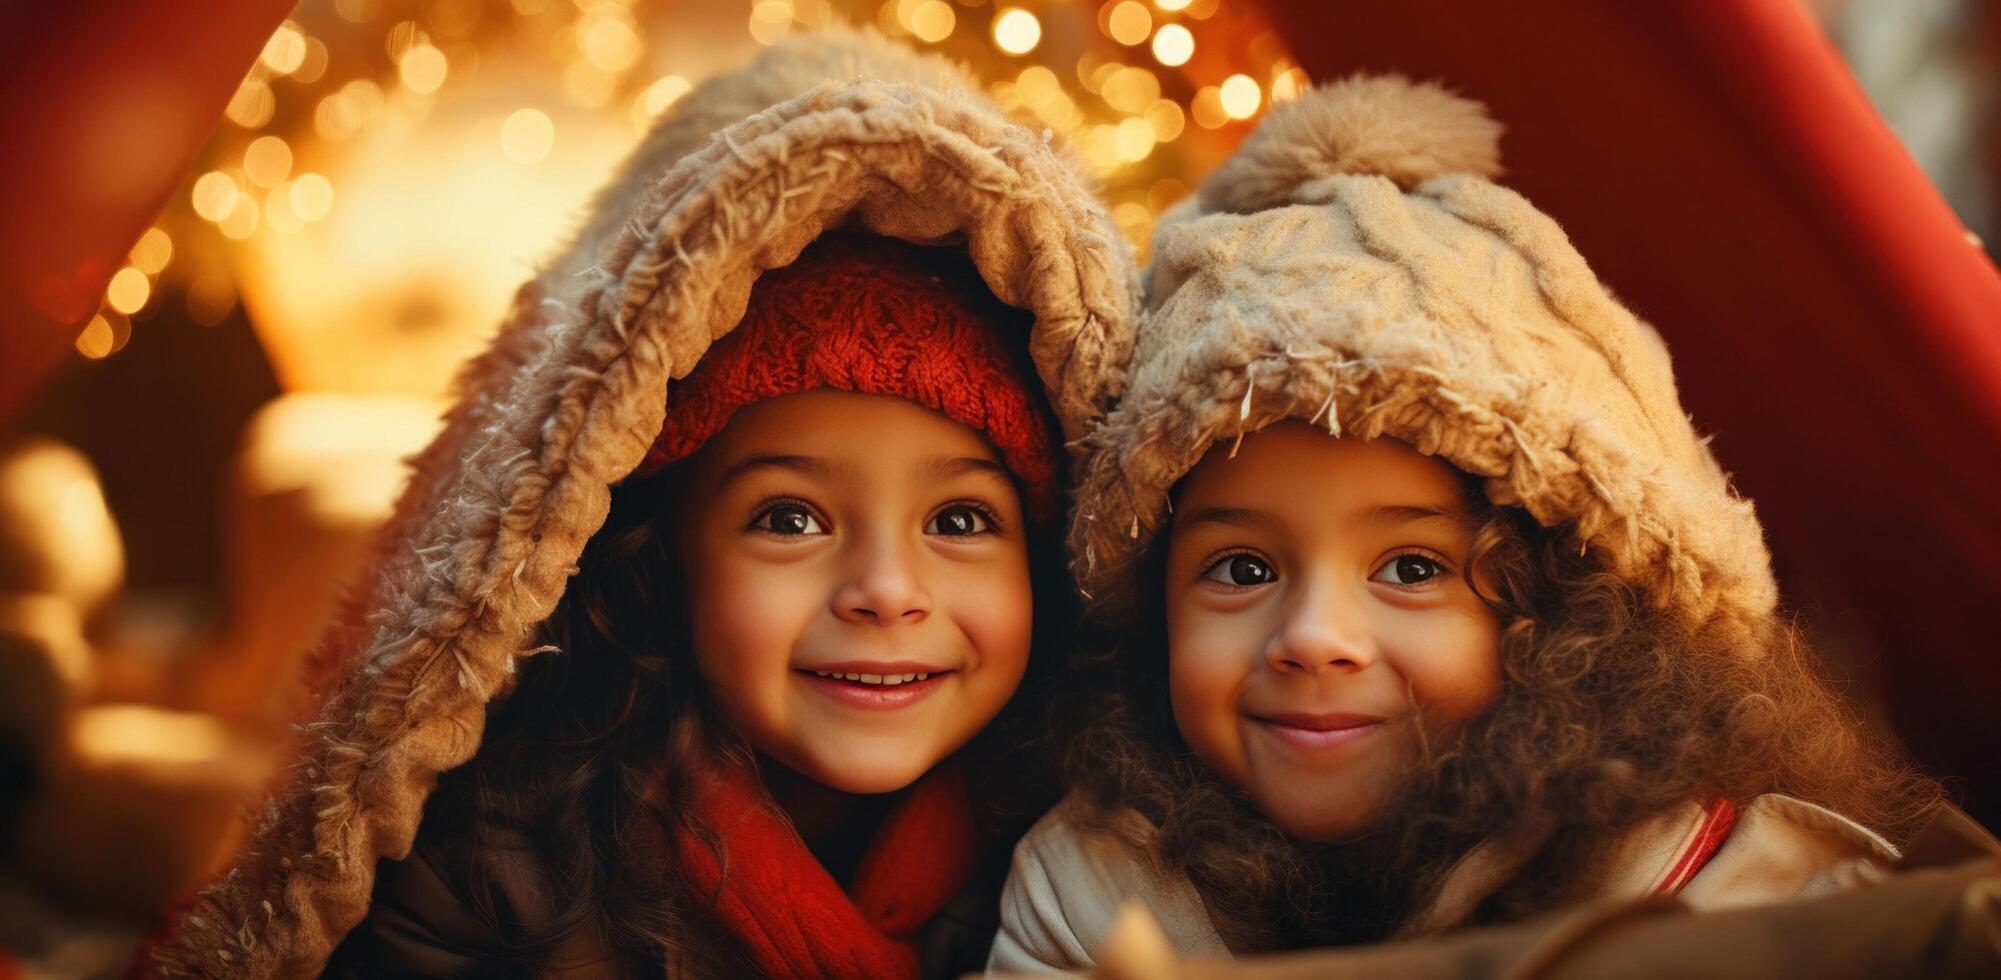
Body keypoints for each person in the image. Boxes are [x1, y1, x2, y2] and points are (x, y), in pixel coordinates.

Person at [144, 30, 1136, 979]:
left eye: (960, 520)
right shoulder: (492, 882)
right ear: (667, 554)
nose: (886, 590)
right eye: (789, 517)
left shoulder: (1101, 865)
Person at [990, 75, 1943, 971]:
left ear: (1571, 620)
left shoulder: (1735, 891)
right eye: (1240, 570)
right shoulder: (1093, 889)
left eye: (1410, 569)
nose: (1314, 639)